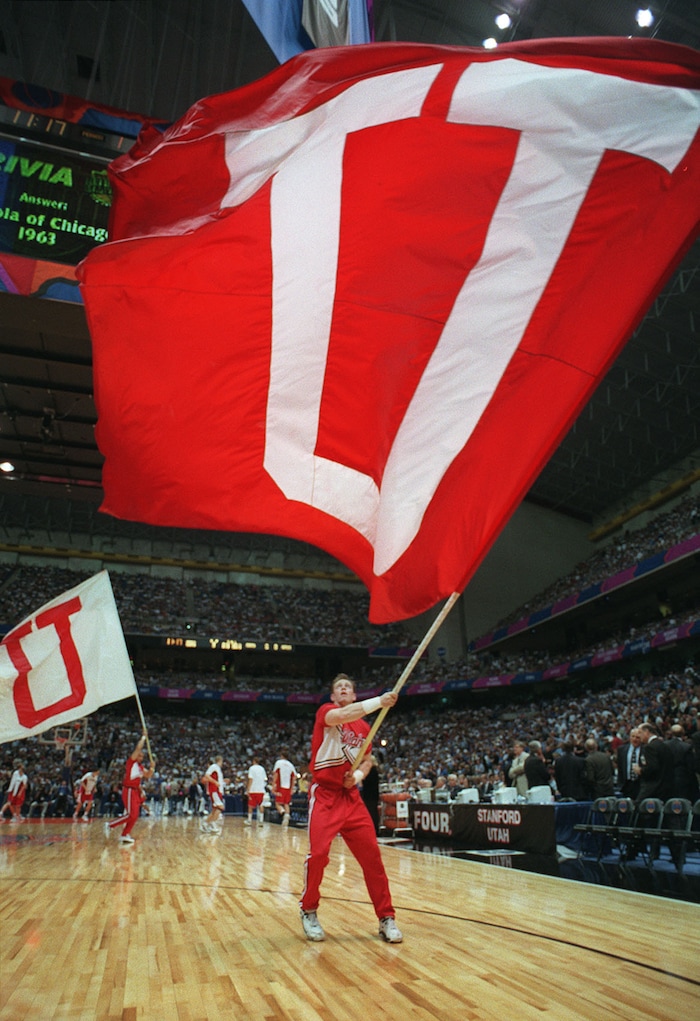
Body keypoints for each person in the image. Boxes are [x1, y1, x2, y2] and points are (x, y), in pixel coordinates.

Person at [299, 673, 402, 944]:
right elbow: (339, 718)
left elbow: (368, 760)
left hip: (351, 799)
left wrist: (356, 777)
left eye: (348, 687)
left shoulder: (365, 728)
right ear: (334, 697)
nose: (344, 689)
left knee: (373, 860)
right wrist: (380, 701)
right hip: (324, 795)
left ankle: (386, 918)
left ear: (354, 695)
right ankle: (308, 910)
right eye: (339, 687)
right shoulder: (327, 712)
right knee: (318, 855)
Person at [105, 732, 154, 844]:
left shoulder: (141, 767)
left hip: (135, 791)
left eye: (142, 756)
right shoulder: (131, 762)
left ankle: (125, 834)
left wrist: (152, 768)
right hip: (128, 790)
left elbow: (148, 775)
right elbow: (138, 748)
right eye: (140, 755)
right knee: (130, 814)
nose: (141, 757)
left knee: (135, 815)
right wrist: (143, 737)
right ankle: (110, 825)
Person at [634, 723, 673, 803]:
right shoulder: (664, 745)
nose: (639, 736)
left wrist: (640, 770)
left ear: (647, 732)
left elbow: (653, 767)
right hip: (666, 788)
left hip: (653, 789)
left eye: (640, 733)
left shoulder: (650, 747)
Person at [201, 755, 228, 833]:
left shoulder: (218, 769)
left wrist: (223, 781)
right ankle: (213, 824)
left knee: (214, 810)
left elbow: (217, 780)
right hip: (215, 791)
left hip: (218, 791)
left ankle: (205, 824)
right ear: (220, 760)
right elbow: (206, 775)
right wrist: (215, 782)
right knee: (221, 807)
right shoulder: (214, 766)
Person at [272, 749, 298, 827]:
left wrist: (273, 784)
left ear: (281, 756)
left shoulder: (278, 763)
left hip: (280, 786)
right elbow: (294, 777)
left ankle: (283, 813)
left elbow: (276, 773)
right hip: (288, 787)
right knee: (286, 803)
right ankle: (286, 817)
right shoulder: (291, 765)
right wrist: (292, 788)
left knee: (277, 803)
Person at [616, 727, 643, 800]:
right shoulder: (621, 749)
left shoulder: (646, 749)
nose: (635, 739)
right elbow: (620, 768)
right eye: (633, 736)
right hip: (627, 784)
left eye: (637, 737)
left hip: (640, 784)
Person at [360, 753, 381, 834]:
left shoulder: (372, 771)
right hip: (373, 794)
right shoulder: (375, 770)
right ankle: (374, 829)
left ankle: (373, 829)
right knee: (373, 811)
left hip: (370, 795)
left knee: (371, 812)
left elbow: (366, 782)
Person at [246, 755, 267, 825]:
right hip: (261, 790)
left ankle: (249, 820)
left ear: (253, 761)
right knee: (261, 805)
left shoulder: (251, 768)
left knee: (250, 806)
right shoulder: (262, 769)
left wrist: (248, 789)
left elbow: (250, 779)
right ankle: (261, 820)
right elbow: (265, 779)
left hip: (253, 790)